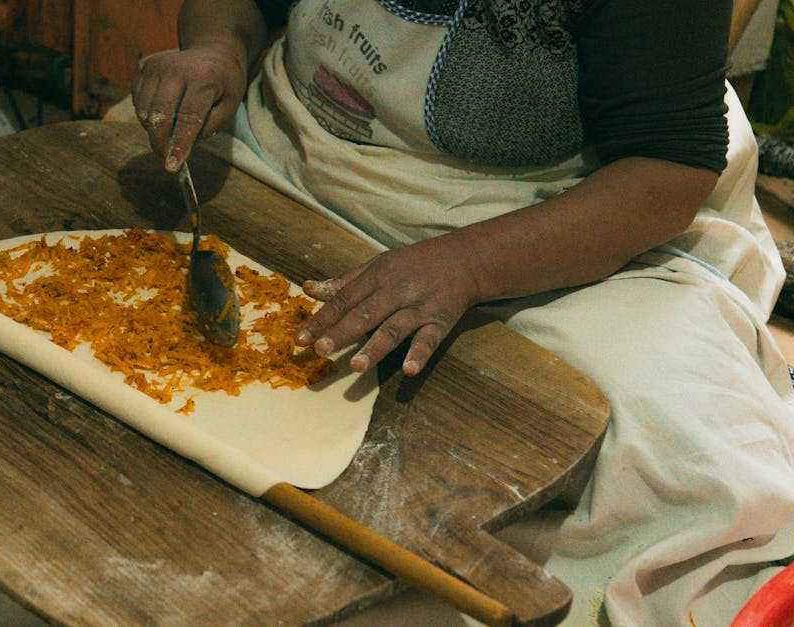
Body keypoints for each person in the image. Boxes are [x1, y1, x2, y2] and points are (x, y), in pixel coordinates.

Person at [131, 0, 794, 624]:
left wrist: (468, 266)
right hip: (294, 149)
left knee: (675, 461)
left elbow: (664, 174)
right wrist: (216, 49)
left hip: (540, 216)